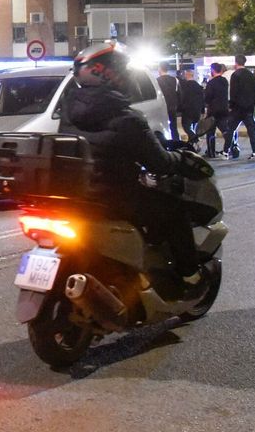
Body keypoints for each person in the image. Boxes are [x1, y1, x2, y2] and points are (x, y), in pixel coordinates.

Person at [62, 42, 203, 293]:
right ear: (110, 74)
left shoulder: (69, 111)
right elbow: (158, 162)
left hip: (78, 196)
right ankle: (189, 277)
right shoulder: (128, 119)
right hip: (115, 198)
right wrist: (181, 160)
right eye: (123, 71)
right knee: (175, 212)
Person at [223, 55, 255, 160]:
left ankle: (226, 151)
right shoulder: (251, 75)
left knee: (231, 129)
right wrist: (254, 102)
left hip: (238, 108)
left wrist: (231, 105)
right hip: (249, 107)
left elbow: (233, 92)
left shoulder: (235, 75)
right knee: (252, 130)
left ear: (236, 62)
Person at [202, 63, 229, 157]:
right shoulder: (224, 81)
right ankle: (229, 147)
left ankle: (211, 152)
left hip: (213, 110)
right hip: (224, 109)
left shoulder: (211, 83)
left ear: (213, 70)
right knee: (225, 131)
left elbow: (207, 98)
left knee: (210, 132)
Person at [177, 68, 206, 145]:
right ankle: (191, 145)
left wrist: (180, 108)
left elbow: (182, 98)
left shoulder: (185, 86)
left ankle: (195, 139)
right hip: (197, 111)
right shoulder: (198, 86)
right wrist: (202, 111)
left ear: (187, 75)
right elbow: (202, 99)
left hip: (188, 110)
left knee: (186, 126)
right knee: (192, 127)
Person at [155, 65, 181, 139]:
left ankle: (166, 145)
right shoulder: (175, 80)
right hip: (172, 107)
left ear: (160, 69)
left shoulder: (157, 81)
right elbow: (179, 94)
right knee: (174, 128)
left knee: (163, 127)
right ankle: (177, 144)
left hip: (162, 107)